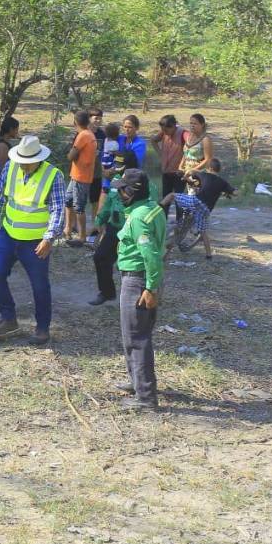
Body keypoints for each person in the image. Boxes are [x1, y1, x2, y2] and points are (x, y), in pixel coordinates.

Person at [0, 134, 66, 345]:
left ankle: (42, 328)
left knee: (40, 286)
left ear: (38, 159)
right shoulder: (11, 167)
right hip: (8, 233)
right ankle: (8, 318)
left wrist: (49, 239)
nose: (23, 165)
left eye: (27, 163)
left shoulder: (53, 176)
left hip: (35, 242)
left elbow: (58, 210)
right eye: (21, 161)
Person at [111, 168, 167, 411]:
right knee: (135, 334)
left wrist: (150, 288)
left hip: (137, 280)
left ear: (132, 192)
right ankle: (137, 381)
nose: (119, 193)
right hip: (143, 279)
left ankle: (145, 397)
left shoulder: (138, 219)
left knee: (136, 338)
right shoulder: (152, 208)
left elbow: (151, 255)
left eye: (122, 189)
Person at [160, 158, 233, 260]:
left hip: (196, 202)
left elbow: (191, 172)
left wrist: (185, 176)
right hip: (206, 210)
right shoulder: (223, 182)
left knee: (172, 195)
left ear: (210, 168)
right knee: (203, 232)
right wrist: (228, 193)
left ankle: (158, 209)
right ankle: (209, 255)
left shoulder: (204, 175)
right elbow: (235, 192)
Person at [88, 147, 135, 306]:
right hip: (114, 228)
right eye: (115, 163)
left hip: (131, 231)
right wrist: (99, 222)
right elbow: (108, 203)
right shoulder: (115, 180)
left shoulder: (139, 181)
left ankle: (140, 296)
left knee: (131, 265)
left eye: (119, 164)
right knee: (100, 257)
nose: (115, 166)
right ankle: (107, 293)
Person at [63, 110, 97, 247]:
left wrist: (70, 156)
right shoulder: (90, 134)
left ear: (75, 122)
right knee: (68, 200)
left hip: (81, 176)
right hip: (77, 175)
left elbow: (71, 155)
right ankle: (68, 228)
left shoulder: (83, 135)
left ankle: (82, 236)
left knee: (79, 206)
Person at [151, 114, 189, 203]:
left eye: (166, 130)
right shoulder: (163, 132)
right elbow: (153, 140)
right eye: (162, 130)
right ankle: (164, 217)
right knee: (165, 199)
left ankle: (180, 217)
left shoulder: (183, 133)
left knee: (179, 200)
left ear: (173, 126)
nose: (164, 132)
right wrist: (160, 154)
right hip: (166, 172)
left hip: (179, 173)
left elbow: (191, 144)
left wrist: (183, 164)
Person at [86, 108, 105, 241]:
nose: (98, 120)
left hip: (97, 173)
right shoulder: (83, 133)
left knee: (95, 201)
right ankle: (75, 227)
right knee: (77, 202)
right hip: (82, 173)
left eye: (99, 118)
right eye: (95, 118)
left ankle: (95, 226)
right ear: (89, 118)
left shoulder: (102, 134)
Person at [0, 116, 20, 190]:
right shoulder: (3, 146)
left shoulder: (4, 143)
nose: (17, 132)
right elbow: (3, 168)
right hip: (1, 184)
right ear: (11, 129)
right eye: (16, 129)